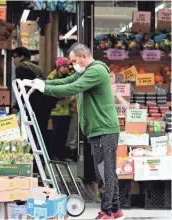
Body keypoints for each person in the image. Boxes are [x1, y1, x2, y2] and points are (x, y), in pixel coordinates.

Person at [23, 43, 124, 220]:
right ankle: (116, 210)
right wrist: (40, 82)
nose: (73, 65)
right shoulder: (85, 71)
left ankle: (106, 212)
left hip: (105, 129)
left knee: (104, 172)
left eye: (75, 61)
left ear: (84, 56)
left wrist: (44, 88)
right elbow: (66, 81)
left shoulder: (96, 71)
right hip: (97, 129)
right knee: (106, 171)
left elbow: (72, 88)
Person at [12, 47, 58, 147]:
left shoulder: (21, 68)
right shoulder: (35, 67)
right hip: (45, 103)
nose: (13, 60)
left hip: (35, 105)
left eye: (15, 57)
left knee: (33, 133)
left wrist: (17, 106)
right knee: (41, 132)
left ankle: (33, 158)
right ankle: (42, 158)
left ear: (21, 57)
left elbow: (24, 89)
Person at [46, 57, 71, 160]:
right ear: (58, 66)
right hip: (55, 111)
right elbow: (49, 92)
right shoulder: (51, 77)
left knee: (63, 134)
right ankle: (52, 155)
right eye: (64, 66)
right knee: (55, 134)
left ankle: (60, 155)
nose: (66, 68)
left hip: (65, 110)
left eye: (67, 66)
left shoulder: (67, 77)